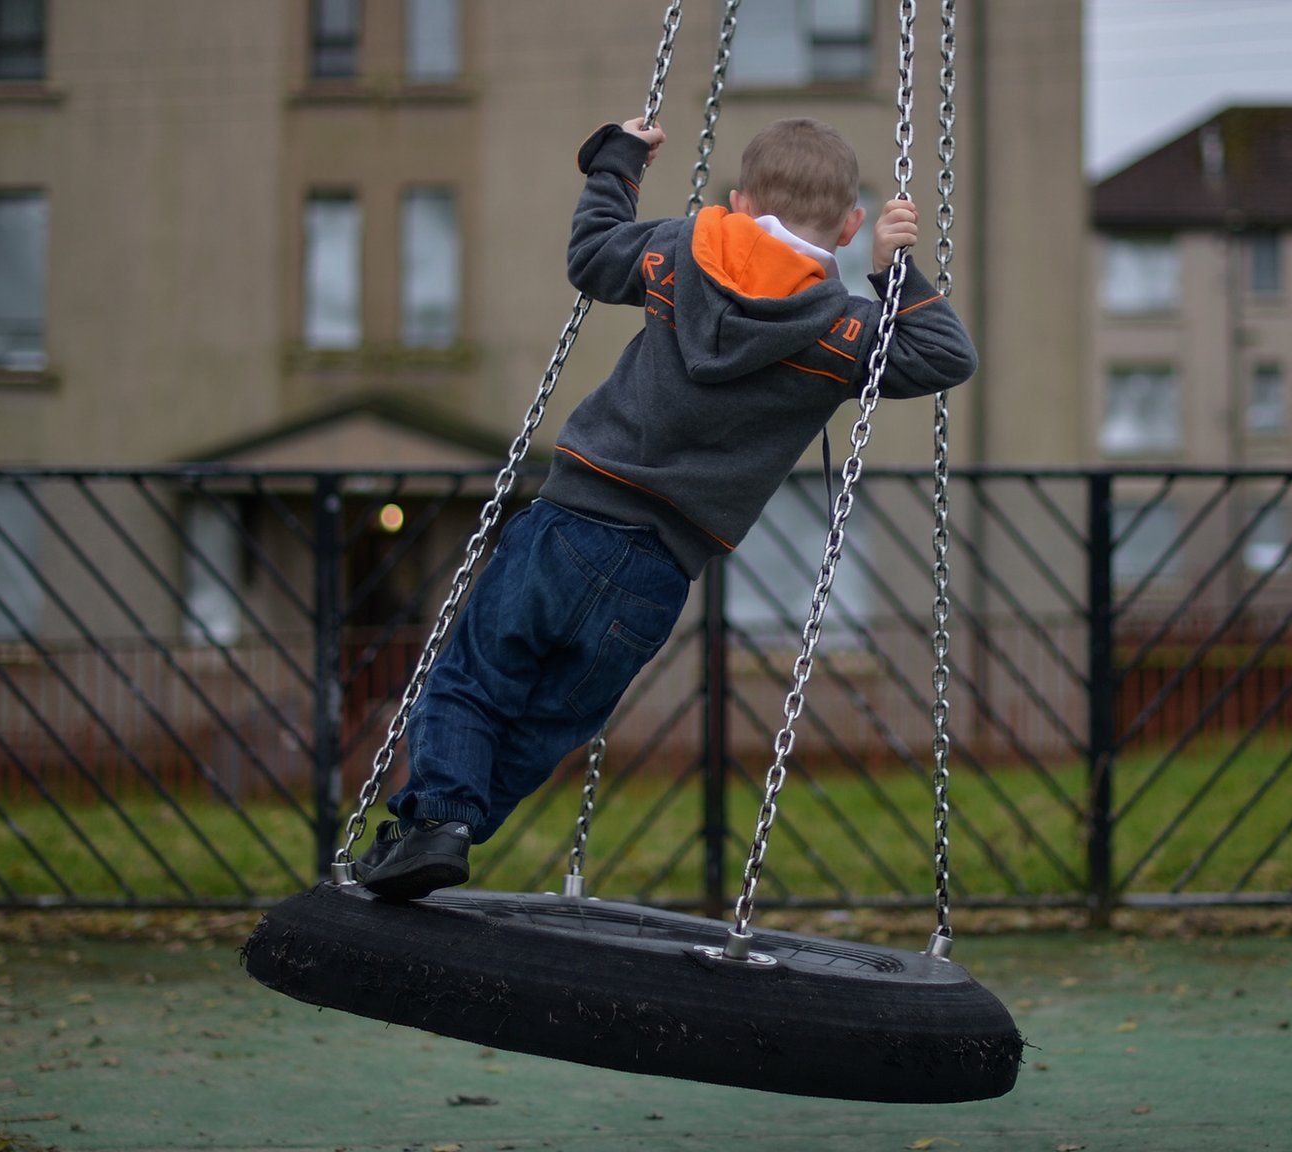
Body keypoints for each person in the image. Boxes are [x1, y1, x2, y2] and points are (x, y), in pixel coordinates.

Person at [357, 115, 978, 899]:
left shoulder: (680, 251)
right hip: (656, 571)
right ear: (852, 222)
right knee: (551, 722)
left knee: (474, 679)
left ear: (741, 202)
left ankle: (436, 823)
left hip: (569, 523)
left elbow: (590, 255)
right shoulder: (845, 331)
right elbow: (945, 356)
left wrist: (616, 162)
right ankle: (448, 831)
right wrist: (894, 273)